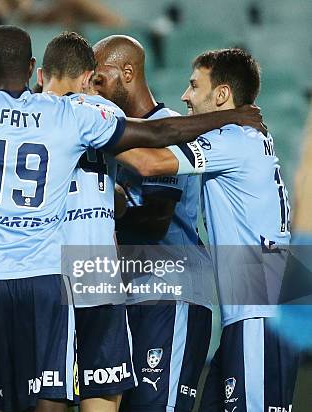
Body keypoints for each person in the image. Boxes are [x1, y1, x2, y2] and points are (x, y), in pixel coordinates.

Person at [0, 25, 264, 412]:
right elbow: (150, 146)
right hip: (71, 275)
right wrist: (226, 117)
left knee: (2, 399)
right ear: (83, 76)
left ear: (37, 72)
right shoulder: (79, 115)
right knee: (76, 393)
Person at [113, 48, 299, 411]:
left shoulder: (232, 140)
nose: (185, 96)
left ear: (222, 95)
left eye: (194, 85)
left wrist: (87, 126)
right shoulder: (245, 139)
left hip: (261, 308)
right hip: (257, 305)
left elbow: (149, 163)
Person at [92, 35, 214, 411]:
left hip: (169, 291)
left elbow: (158, 218)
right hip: (127, 294)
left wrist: (110, 210)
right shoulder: (108, 131)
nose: (93, 89)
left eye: (100, 79)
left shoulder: (170, 129)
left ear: (127, 73)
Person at [36, 32, 135, 412]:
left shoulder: (32, 114)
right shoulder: (109, 113)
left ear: (42, 74)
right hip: (99, 271)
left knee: (49, 395)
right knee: (103, 396)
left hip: (51, 270)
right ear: (88, 77)